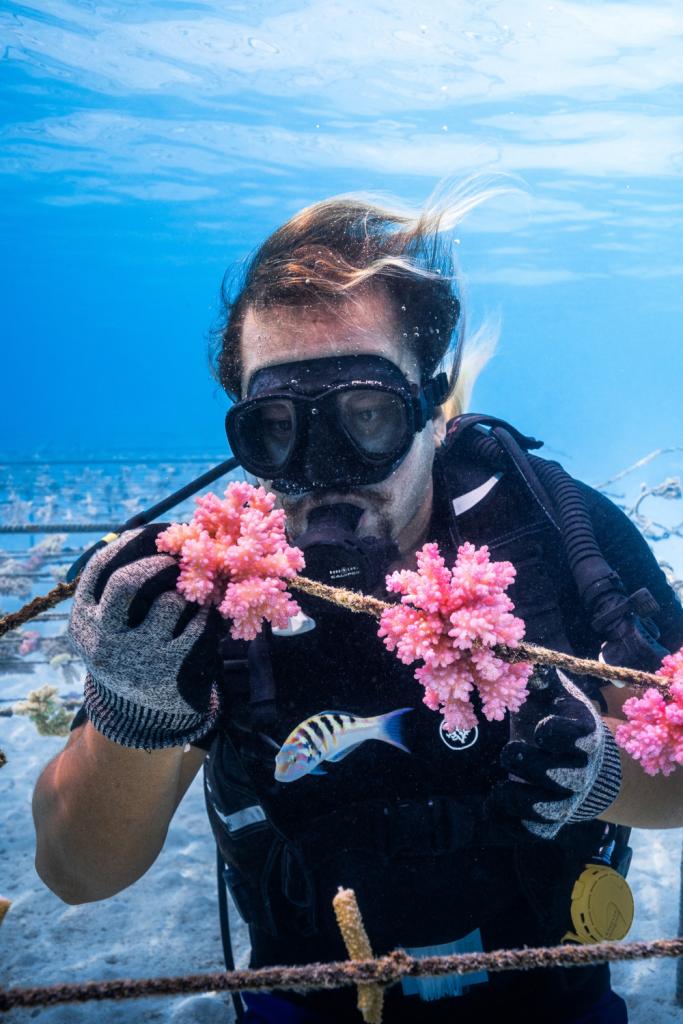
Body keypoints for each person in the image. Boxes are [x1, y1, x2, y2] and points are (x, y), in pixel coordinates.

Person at [32, 190, 683, 1024]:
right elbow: (78, 874)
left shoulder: (554, 537)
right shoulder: (216, 599)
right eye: (278, 427)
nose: (327, 467)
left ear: (427, 402)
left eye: (366, 415)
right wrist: (137, 708)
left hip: (550, 998)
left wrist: (603, 777)